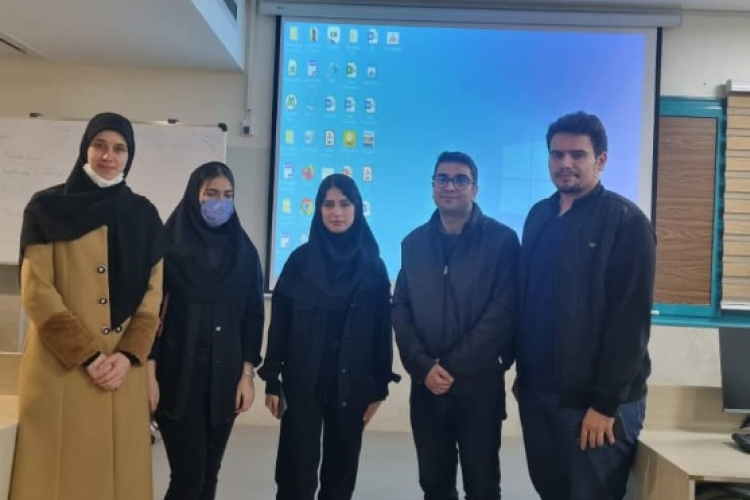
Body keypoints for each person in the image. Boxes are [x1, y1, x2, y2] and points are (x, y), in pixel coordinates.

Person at [10, 112, 164, 500]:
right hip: (59, 367)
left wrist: (127, 356)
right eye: (99, 145)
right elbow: (37, 290)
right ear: (85, 148)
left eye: (119, 148)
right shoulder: (46, 208)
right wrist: (88, 356)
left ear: (129, 155)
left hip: (121, 371)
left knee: (117, 478)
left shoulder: (144, 215)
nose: (108, 156)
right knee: (55, 479)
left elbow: (152, 297)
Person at [516, 111, 656, 500]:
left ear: (601, 160)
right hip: (540, 396)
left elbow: (630, 324)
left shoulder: (626, 223)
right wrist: (524, 379)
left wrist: (605, 405)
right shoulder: (538, 216)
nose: (565, 163)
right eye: (557, 154)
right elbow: (529, 303)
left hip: (594, 406)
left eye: (577, 155)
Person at [258, 173, 398, 500]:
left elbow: (382, 331)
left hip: (352, 385)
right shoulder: (300, 262)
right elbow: (280, 324)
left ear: (357, 209)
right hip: (302, 384)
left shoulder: (373, 266)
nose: (336, 212)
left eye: (345, 204)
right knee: (295, 476)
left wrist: (379, 388)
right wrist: (272, 379)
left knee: (340, 477)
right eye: (328, 204)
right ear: (318, 209)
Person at [392, 151, 519, 500]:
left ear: (474, 188)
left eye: (461, 179)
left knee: (482, 486)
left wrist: (450, 366)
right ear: (433, 186)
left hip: (479, 387)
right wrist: (423, 366)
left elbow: (503, 312)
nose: (450, 186)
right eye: (443, 179)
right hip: (427, 386)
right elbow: (401, 308)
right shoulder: (413, 243)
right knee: (434, 485)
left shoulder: (502, 241)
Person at [148, 162, 264, 500]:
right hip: (176, 377)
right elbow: (148, 315)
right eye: (211, 194)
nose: (220, 203)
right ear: (194, 196)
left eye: (228, 195)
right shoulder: (166, 248)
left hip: (225, 380)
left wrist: (247, 375)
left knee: (209, 475)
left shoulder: (244, 253)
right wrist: (149, 374)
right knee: (188, 476)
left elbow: (253, 318)